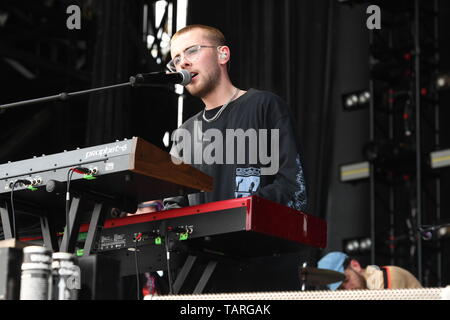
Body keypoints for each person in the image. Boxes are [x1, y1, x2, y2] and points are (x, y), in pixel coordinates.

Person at [167, 24, 307, 210]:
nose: (182, 63)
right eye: (176, 60)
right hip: (202, 240)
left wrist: (235, 214)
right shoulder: (185, 132)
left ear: (223, 54)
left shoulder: (265, 106)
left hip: (255, 237)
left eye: (192, 51)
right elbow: (175, 201)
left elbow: (293, 188)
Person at [318, 251, 423, 290]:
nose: (348, 289)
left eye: (346, 280)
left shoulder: (385, 277)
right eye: (341, 289)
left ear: (355, 265)